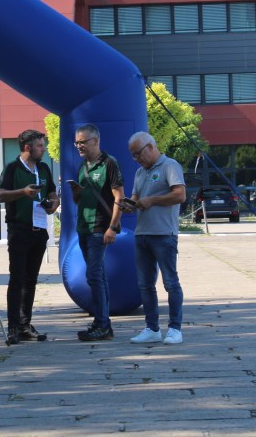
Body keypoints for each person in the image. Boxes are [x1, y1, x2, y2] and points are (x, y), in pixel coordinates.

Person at [123, 131, 186, 345]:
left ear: (150, 147)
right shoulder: (140, 172)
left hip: (164, 234)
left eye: (138, 153)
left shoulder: (170, 166)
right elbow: (136, 197)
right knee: (145, 285)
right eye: (132, 155)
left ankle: (175, 329)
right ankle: (152, 328)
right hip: (142, 234)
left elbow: (180, 195)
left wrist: (152, 200)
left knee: (170, 282)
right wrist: (129, 205)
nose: (136, 158)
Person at [0, 129, 58, 345]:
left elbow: (52, 192)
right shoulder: (12, 168)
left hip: (39, 229)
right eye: (40, 146)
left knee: (31, 279)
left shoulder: (43, 167)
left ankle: (25, 324)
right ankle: (13, 326)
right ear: (27, 147)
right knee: (17, 278)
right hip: (19, 229)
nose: (43, 149)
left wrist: (54, 203)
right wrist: (22, 192)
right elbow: (1, 194)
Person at [68, 123, 124, 342]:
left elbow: (119, 197)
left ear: (96, 141)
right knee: (97, 275)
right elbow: (80, 199)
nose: (79, 146)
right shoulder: (83, 166)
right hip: (83, 227)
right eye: (76, 143)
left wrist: (113, 227)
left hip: (100, 228)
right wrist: (76, 192)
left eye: (83, 142)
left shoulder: (109, 163)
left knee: (93, 275)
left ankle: (101, 323)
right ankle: (103, 324)